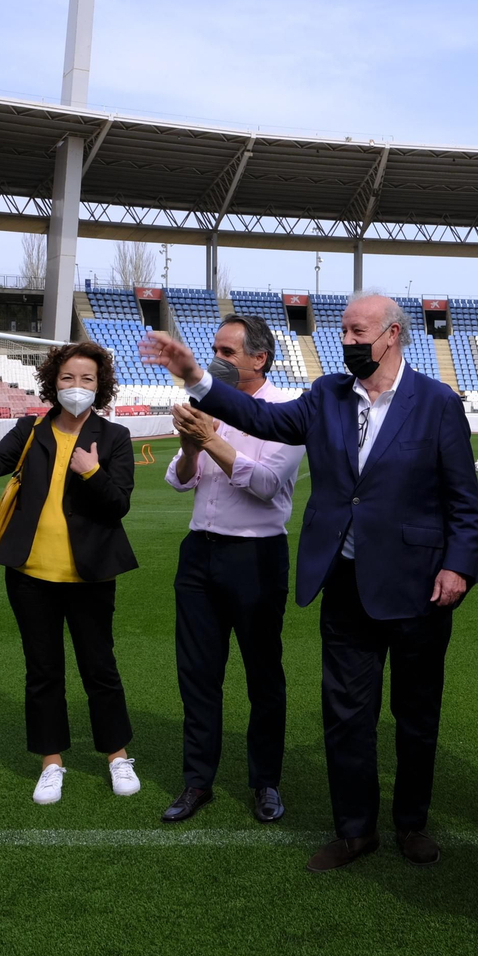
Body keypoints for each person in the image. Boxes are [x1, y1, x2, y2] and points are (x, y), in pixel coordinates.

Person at [139, 292, 478, 872]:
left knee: (416, 713)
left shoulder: (436, 403)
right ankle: (354, 831)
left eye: (358, 332)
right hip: (346, 582)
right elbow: (260, 417)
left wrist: (457, 566)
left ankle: (411, 823)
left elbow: (463, 499)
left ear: (393, 335)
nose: (347, 341)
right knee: (346, 715)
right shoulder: (325, 394)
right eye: (344, 332)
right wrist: (196, 376)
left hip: (418, 586)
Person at [0, 341, 140, 806]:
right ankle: (51, 762)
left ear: (100, 387)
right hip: (30, 575)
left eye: (87, 380)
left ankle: (117, 756)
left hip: (91, 575)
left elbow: (118, 503)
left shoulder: (115, 437)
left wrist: (93, 472)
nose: (76, 387)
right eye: (67, 378)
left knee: (100, 668)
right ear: (52, 382)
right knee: (43, 671)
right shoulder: (30, 429)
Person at [160, 315, 305, 825]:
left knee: (263, 675)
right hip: (199, 551)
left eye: (227, 350)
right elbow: (180, 481)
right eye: (215, 349)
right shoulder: (205, 407)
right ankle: (197, 781)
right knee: (197, 674)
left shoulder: (288, 410)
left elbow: (266, 484)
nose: (217, 358)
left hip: (257, 555)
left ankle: (265, 781)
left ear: (258, 358)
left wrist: (213, 440)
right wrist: (188, 446)